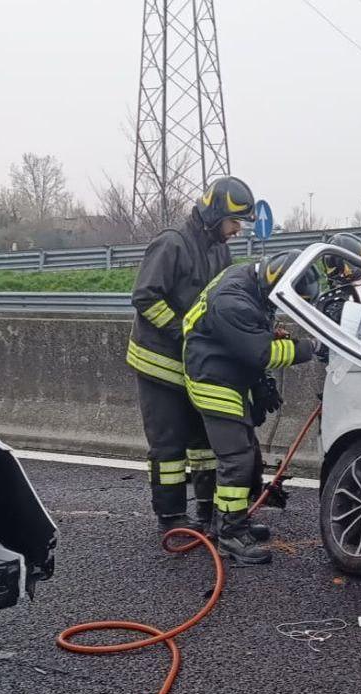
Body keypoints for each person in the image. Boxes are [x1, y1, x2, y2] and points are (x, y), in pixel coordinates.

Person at [127, 176, 255, 534]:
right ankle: (171, 519)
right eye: (233, 222)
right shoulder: (172, 244)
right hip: (159, 364)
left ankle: (206, 512)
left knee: (204, 445)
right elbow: (145, 298)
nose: (236, 230)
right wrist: (185, 332)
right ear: (215, 214)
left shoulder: (219, 249)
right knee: (168, 446)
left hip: (196, 365)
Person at [182, 251, 321, 564]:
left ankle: (230, 521)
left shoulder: (248, 280)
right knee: (237, 459)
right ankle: (230, 535)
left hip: (225, 369)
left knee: (248, 455)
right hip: (213, 378)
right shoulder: (233, 302)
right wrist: (310, 347)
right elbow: (262, 354)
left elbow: (250, 332)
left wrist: (267, 334)